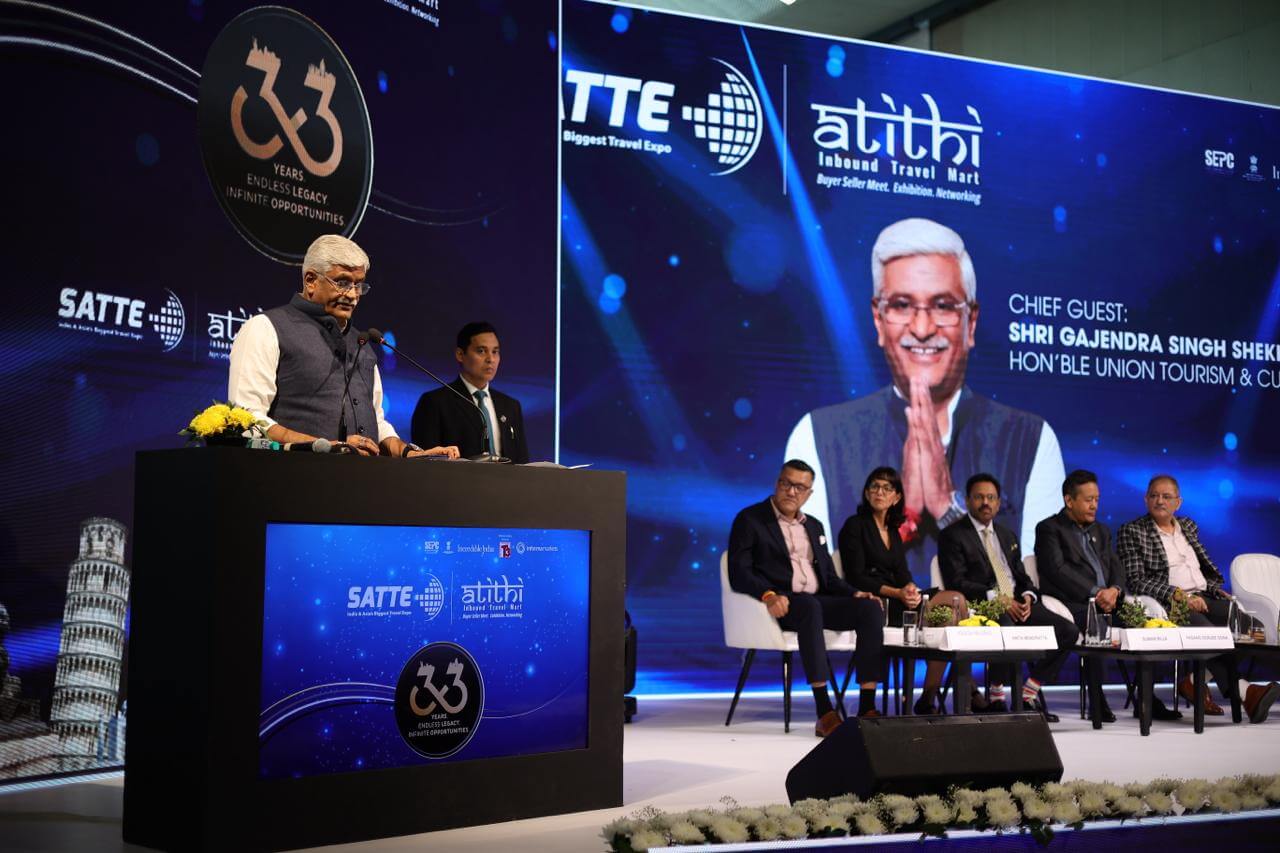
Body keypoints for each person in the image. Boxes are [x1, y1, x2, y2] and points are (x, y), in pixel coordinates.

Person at [786, 218, 1064, 583]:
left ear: (971, 322)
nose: (921, 329)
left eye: (943, 306)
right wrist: (908, 515)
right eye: (902, 305)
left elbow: (1027, 579)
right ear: (878, 320)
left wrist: (948, 507)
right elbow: (820, 576)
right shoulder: (818, 435)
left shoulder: (1031, 438)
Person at [228, 234, 458, 460]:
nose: (353, 296)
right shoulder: (265, 328)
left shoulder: (364, 344)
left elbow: (376, 422)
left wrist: (409, 452)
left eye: (358, 285)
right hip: (293, 477)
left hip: (364, 481)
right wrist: (322, 447)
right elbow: (247, 418)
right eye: (343, 283)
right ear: (310, 280)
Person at [728, 460, 886, 737]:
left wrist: (854, 593)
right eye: (786, 484)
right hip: (781, 602)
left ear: (809, 493)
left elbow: (829, 578)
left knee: (870, 609)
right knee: (809, 606)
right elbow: (738, 572)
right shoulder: (751, 519)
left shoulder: (814, 526)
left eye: (800, 487)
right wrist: (768, 595)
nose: (792, 491)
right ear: (777, 483)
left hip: (815, 601)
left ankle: (867, 707)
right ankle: (825, 712)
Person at [1117, 475, 1279, 723]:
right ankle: (1245, 692)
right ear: (1146, 499)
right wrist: (1179, 595)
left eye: (1166, 496)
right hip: (1170, 603)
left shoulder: (1188, 526)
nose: (1160, 501)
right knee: (1210, 635)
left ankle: (1194, 681)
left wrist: (1216, 591)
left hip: (1204, 596)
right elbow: (1135, 580)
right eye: (1154, 496)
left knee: (1253, 630)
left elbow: (1201, 570)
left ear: (1178, 502)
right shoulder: (1132, 531)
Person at [938, 473, 1077, 722]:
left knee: (1068, 631)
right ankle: (997, 696)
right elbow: (956, 582)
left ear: (999, 503)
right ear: (967, 501)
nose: (985, 503)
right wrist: (996, 598)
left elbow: (1021, 577)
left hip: (1016, 602)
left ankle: (1028, 692)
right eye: (979, 497)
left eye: (991, 497)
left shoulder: (1007, 535)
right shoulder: (953, 535)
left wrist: (1028, 597)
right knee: (1005, 627)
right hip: (982, 605)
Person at [839, 466, 963, 715]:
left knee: (955, 604)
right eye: (875, 486)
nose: (879, 492)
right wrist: (897, 593)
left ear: (896, 497)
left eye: (887, 488)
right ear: (866, 493)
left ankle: (928, 696)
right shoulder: (855, 526)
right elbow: (856, 577)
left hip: (900, 601)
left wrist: (911, 589)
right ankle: (963, 691)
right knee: (949, 608)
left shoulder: (893, 531)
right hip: (876, 603)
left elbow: (902, 573)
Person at [1034, 469, 1132, 722]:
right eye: (1088, 500)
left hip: (1107, 601)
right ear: (1069, 500)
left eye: (1097, 499)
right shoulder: (1049, 529)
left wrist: (1115, 590)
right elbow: (1057, 571)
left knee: (1141, 623)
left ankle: (1147, 697)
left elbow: (1116, 567)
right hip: (1072, 602)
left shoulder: (1102, 530)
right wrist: (1097, 594)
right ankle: (1097, 701)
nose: (1094, 505)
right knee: (1096, 625)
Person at [411, 321, 529, 463]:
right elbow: (425, 461)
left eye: (495, 352)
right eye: (481, 351)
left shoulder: (511, 406)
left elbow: (522, 461)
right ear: (460, 354)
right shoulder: (435, 402)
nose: (490, 359)